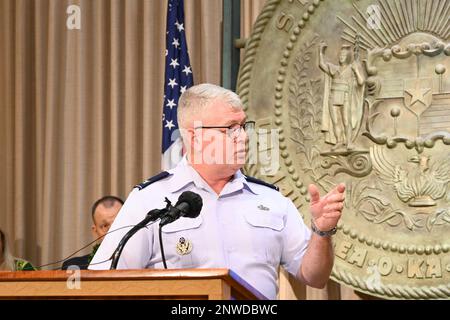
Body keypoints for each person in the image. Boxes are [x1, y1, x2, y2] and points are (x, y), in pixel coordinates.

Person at [89, 83, 345, 299]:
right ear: (194, 136)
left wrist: (321, 231)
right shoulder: (149, 200)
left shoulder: (271, 200)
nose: (243, 137)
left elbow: (315, 276)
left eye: (244, 126)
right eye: (230, 129)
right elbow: (103, 283)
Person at [319, 43, 365, 151]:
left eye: (343, 56)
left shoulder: (351, 68)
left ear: (348, 57)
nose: (341, 57)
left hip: (345, 96)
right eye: (340, 56)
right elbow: (322, 65)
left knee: (345, 120)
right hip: (333, 96)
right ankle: (339, 141)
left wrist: (356, 70)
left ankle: (349, 142)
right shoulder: (334, 68)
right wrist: (320, 52)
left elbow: (361, 81)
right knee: (335, 121)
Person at [62, 196, 123, 270]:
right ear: (95, 231)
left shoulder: (140, 263)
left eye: (118, 223)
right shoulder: (75, 267)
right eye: (105, 226)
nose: (113, 231)